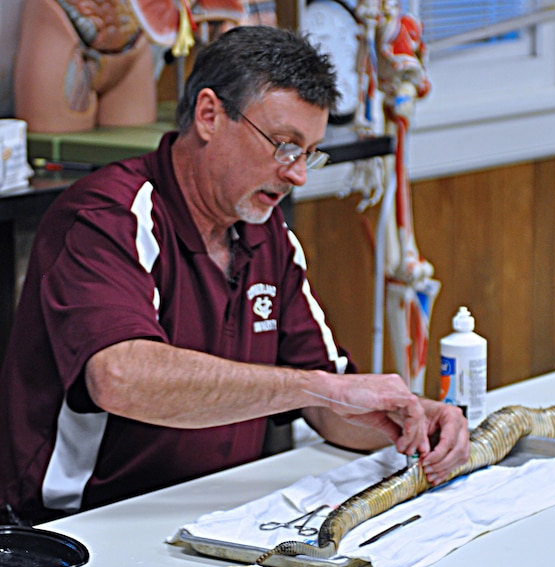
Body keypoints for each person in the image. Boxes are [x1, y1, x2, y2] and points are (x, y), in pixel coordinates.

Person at [0, 25, 470, 524]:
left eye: (309, 152)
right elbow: (119, 377)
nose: (298, 175)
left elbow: (330, 405)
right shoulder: (108, 216)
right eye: (284, 145)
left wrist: (414, 419)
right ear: (209, 116)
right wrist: (317, 389)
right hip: (79, 526)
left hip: (215, 515)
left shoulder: (267, 235)